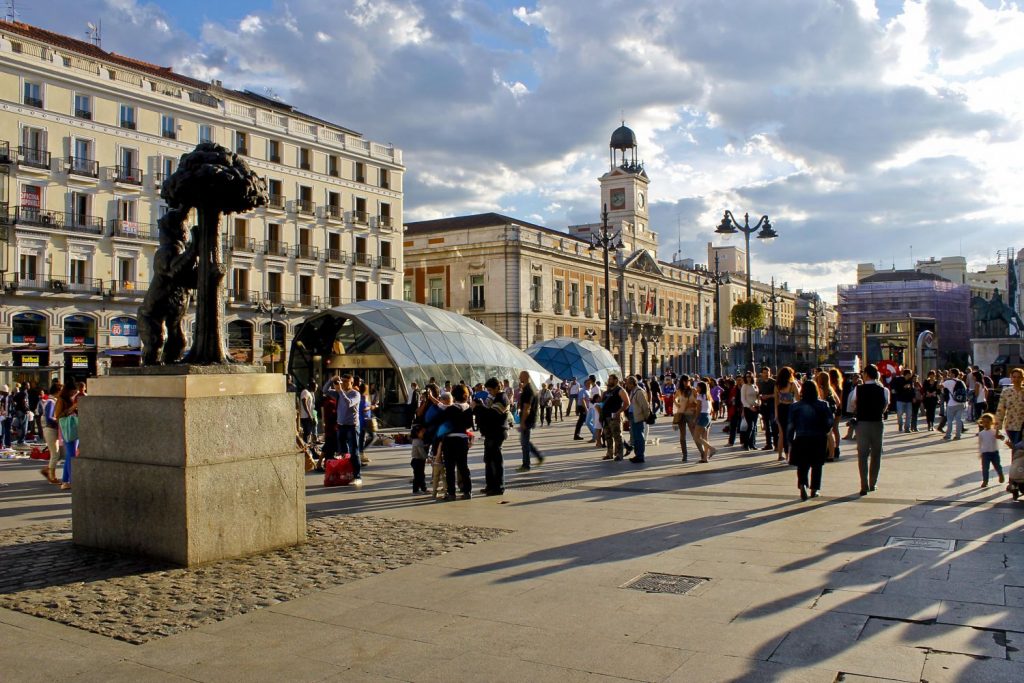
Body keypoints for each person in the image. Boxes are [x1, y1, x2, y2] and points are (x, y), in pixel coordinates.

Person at [787, 380, 834, 500]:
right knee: (817, 465)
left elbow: (790, 425)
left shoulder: (795, 406)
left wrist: (790, 439)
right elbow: (829, 421)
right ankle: (815, 489)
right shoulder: (823, 405)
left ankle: (803, 483)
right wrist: (825, 431)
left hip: (801, 437)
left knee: (802, 464)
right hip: (818, 438)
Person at [850, 364, 889, 496]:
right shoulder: (883, 390)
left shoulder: (858, 389)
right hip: (877, 423)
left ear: (866, 374)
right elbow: (885, 406)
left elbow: (854, 403)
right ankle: (873, 483)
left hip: (862, 424)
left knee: (862, 455)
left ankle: (864, 485)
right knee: (876, 454)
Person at [432, 385, 474, 500]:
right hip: (462, 440)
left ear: (454, 396)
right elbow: (469, 425)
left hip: (450, 440)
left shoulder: (450, 409)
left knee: (450, 468)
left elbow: (444, 427)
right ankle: (467, 491)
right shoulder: (468, 409)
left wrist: (439, 443)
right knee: (463, 466)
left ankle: (451, 493)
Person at [474, 377, 509, 495]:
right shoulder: (493, 397)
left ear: (497, 388)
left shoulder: (502, 398)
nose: (489, 393)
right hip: (491, 432)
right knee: (488, 460)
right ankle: (490, 485)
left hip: (498, 432)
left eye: (490, 390)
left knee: (496, 460)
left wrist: (479, 407)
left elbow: (492, 414)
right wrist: (480, 405)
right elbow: (486, 408)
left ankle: (499, 487)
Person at [326, 374, 363, 487]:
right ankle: (346, 473)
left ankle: (357, 476)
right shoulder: (339, 392)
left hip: (352, 426)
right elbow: (324, 390)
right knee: (342, 452)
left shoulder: (355, 394)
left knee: (354, 452)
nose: (344, 383)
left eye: (346, 381)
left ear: (351, 383)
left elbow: (349, 404)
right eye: (342, 381)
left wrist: (340, 391)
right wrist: (331, 380)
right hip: (341, 425)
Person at [516, 371, 544, 471]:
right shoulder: (529, 388)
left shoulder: (528, 390)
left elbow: (527, 408)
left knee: (524, 443)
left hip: (528, 420)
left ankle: (526, 465)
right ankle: (539, 457)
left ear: (526, 377)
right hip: (529, 419)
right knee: (525, 441)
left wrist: (522, 422)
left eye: (521, 376)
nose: (519, 378)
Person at [54, 383, 80, 491]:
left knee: (70, 454)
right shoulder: (61, 400)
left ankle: (65, 480)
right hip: (67, 428)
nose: (75, 393)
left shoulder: (69, 399)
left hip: (72, 428)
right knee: (71, 454)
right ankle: (70, 481)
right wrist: (72, 408)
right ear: (68, 391)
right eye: (73, 391)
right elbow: (58, 416)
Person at [601, 374, 630, 461]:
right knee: (608, 436)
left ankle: (619, 454)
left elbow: (627, 403)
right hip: (606, 417)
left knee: (617, 436)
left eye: (610, 379)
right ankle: (609, 454)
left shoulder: (620, 390)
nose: (609, 381)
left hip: (614, 417)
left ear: (616, 380)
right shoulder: (608, 391)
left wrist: (619, 412)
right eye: (609, 379)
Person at [624, 376, 651, 463]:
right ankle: (637, 454)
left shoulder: (639, 392)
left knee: (639, 436)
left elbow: (645, 406)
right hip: (633, 416)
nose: (626, 385)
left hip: (638, 416)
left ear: (632, 384)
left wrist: (647, 417)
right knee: (635, 436)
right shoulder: (633, 391)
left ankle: (640, 456)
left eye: (627, 383)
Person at [774, 367, 799, 461]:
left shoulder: (777, 386)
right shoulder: (792, 385)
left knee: (781, 434)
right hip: (790, 409)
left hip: (781, 410)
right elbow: (798, 399)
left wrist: (776, 415)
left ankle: (780, 455)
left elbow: (776, 402)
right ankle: (789, 455)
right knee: (790, 433)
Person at [39, 381, 62, 485]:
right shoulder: (51, 402)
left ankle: (48, 470)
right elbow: (49, 418)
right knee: (55, 454)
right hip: (50, 429)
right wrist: (59, 420)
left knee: (57, 453)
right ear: (58, 391)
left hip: (51, 429)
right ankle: (51, 476)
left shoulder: (52, 401)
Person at [996, 368, 1024, 445]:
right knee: (1016, 449)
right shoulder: (1006, 392)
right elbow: (1000, 410)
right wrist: (997, 428)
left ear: (1022, 378)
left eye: (1019, 377)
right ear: (1011, 378)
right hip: (1011, 425)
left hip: (1022, 425)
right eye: (1014, 377)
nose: (1016, 379)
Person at [976, 413, 1005, 488]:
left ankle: (1000, 474)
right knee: (985, 468)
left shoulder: (994, 431)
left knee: (997, 466)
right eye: (984, 422)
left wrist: (999, 436)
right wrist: (980, 452)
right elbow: (980, 444)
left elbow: (1002, 438)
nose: (986, 424)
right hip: (985, 453)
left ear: (991, 422)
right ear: (982, 423)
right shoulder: (981, 433)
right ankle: (985, 481)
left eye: (988, 422)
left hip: (994, 452)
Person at [942, 368, 969, 440]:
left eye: (950, 373)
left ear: (953, 374)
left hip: (952, 404)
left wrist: (943, 380)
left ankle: (948, 435)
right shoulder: (961, 382)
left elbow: (939, 386)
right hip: (961, 403)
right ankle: (958, 435)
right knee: (958, 420)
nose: (949, 374)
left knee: (950, 420)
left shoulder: (949, 382)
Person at [693, 380, 716, 462]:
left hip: (702, 416)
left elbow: (698, 408)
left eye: (698, 387)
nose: (696, 388)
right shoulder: (708, 396)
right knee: (705, 438)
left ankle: (712, 449)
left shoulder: (699, 396)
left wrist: (696, 418)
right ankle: (705, 458)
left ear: (701, 388)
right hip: (708, 416)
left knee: (696, 437)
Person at [758, 367, 778, 451]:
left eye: (767, 372)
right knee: (766, 425)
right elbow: (759, 393)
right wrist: (760, 396)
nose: (766, 374)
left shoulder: (774, 382)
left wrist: (768, 396)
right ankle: (768, 444)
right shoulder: (760, 383)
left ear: (770, 373)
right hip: (764, 406)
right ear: (762, 374)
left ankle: (776, 444)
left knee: (774, 425)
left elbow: (777, 394)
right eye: (764, 372)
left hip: (772, 405)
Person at [740, 372, 760, 451]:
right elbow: (743, 399)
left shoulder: (755, 386)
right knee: (750, 426)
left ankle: (752, 444)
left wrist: (758, 403)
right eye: (747, 376)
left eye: (750, 376)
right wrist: (749, 407)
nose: (748, 378)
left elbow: (757, 397)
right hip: (748, 408)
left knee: (754, 426)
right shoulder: (744, 386)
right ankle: (746, 444)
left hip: (755, 407)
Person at [410, 424, 429, 494]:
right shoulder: (418, 441)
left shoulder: (416, 440)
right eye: (422, 432)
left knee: (419, 476)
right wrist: (427, 458)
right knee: (419, 476)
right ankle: (418, 490)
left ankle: (420, 489)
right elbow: (421, 452)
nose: (424, 433)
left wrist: (424, 445)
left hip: (416, 461)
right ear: (417, 433)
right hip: (418, 461)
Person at [298, 381, 316, 446]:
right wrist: (309, 414)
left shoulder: (309, 393)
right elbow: (304, 402)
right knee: (307, 432)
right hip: (305, 416)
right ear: (312, 386)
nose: (316, 389)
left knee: (308, 432)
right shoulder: (305, 392)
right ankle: (305, 445)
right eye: (316, 387)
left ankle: (306, 445)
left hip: (308, 416)